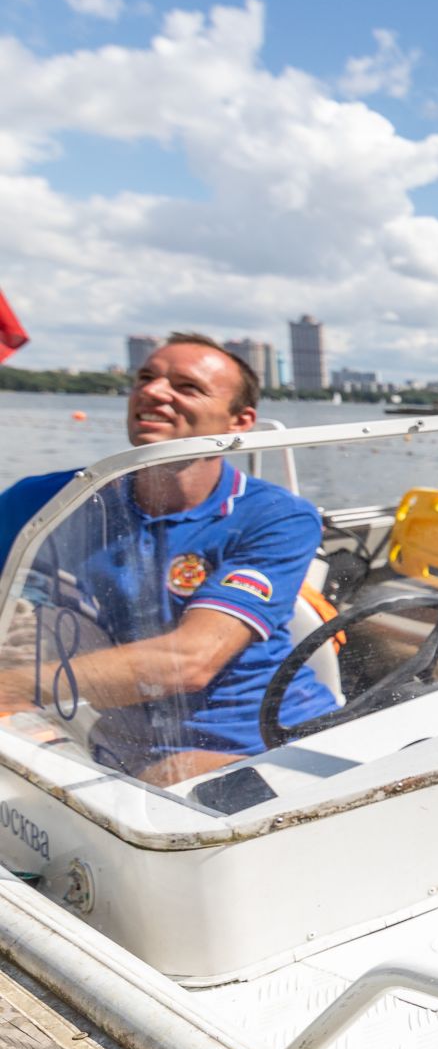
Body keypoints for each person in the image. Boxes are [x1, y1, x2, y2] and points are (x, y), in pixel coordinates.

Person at [0, 333, 335, 784]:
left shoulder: (276, 516)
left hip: (265, 742)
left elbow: (192, 660)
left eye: (187, 386)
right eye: (146, 378)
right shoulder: (48, 501)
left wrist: (13, 687)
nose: (153, 392)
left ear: (240, 420)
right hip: (121, 731)